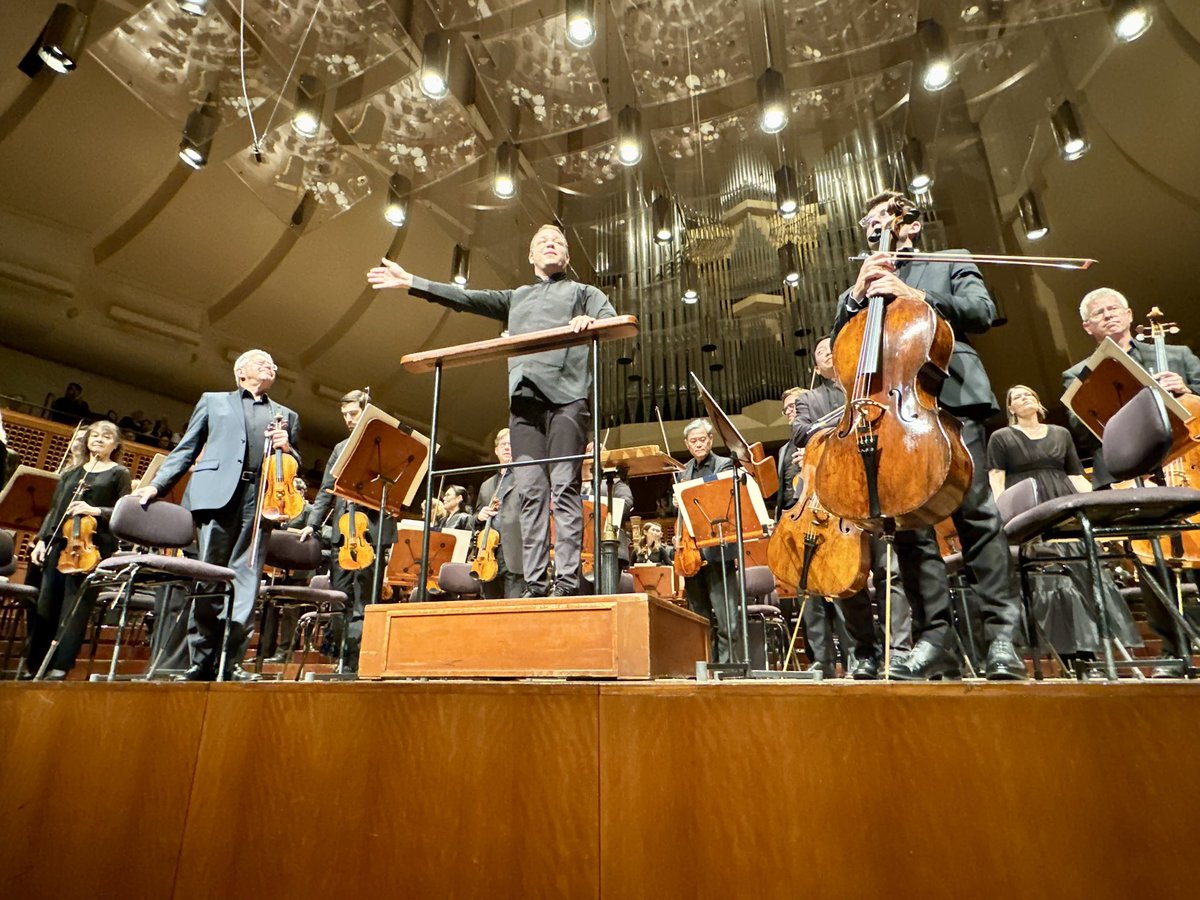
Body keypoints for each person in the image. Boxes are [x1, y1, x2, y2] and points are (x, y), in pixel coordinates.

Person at [833, 189, 1025, 680]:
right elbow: (842, 348)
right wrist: (857, 295)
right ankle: (934, 639)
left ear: (910, 224)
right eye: (868, 224)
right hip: (896, 417)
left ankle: (1001, 638)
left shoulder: (948, 261)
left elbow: (981, 312)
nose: (875, 229)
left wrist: (918, 295)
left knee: (977, 517)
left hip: (951, 400)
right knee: (911, 530)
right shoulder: (862, 288)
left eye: (883, 219)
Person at [368, 224, 617, 597]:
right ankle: (535, 584)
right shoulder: (516, 297)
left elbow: (614, 322)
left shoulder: (583, 292)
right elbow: (464, 298)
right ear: (531, 257)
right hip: (525, 404)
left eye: (558, 243)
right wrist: (412, 282)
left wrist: (590, 322)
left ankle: (566, 583)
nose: (551, 245)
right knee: (531, 493)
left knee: (564, 488)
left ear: (566, 256)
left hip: (568, 400)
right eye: (542, 243)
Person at [131, 349, 300, 682]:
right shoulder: (213, 401)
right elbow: (186, 449)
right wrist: (157, 486)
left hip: (262, 501)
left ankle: (231, 662)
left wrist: (287, 447)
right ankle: (202, 660)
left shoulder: (286, 415)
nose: (270, 365)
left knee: (246, 581)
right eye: (261, 361)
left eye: (273, 363)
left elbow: (293, 463)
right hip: (216, 496)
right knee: (208, 573)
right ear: (240, 373)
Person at [987, 385, 1140, 670]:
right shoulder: (1001, 437)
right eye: (1017, 397)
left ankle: (1091, 650)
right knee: (1050, 575)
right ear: (1010, 409)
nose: (1025, 397)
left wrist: (1093, 506)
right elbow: (997, 478)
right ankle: (1067, 654)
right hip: (1029, 505)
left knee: (1082, 570)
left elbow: (1076, 476)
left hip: (1063, 499)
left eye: (1029, 394)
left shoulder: (1060, 434)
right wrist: (1003, 514)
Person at [789, 336, 901, 679]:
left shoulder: (870, 383)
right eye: (821, 351)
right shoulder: (810, 399)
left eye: (832, 347)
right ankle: (864, 652)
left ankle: (899, 651)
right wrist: (844, 422)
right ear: (816, 366)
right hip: (838, 492)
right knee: (848, 578)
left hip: (877, 484)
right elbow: (801, 432)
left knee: (889, 572)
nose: (828, 353)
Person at [1062, 288, 1200, 487]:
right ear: (1087, 327)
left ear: (1129, 315)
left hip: (1189, 455)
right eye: (1098, 313)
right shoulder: (1079, 374)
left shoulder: (1179, 355)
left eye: (1113, 308)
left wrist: (1187, 390)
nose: (1108, 315)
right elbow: (1084, 432)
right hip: (1123, 473)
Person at [298, 390, 395, 671]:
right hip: (344, 532)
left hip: (372, 532)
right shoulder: (340, 448)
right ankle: (341, 657)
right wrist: (312, 524)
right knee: (340, 597)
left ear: (366, 411)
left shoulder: (383, 444)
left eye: (353, 414)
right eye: (345, 416)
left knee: (365, 600)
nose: (349, 420)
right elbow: (327, 490)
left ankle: (359, 661)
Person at [26, 421, 131, 678]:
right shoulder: (72, 473)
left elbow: (124, 512)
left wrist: (95, 510)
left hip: (91, 547)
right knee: (46, 605)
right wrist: (41, 540)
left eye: (106, 437)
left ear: (115, 445)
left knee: (74, 609)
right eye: (94, 435)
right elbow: (55, 510)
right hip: (59, 545)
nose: (98, 439)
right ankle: (34, 665)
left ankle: (60, 666)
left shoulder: (119, 473)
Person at [673, 418, 741, 663]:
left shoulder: (724, 466)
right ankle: (705, 666)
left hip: (718, 551)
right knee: (699, 619)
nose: (698, 444)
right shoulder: (683, 472)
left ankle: (727, 667)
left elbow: (718, 497)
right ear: (687, 445)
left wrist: (687, 494)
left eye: (702, 439)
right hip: (692, 554)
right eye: (693, 441)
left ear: (710, 440)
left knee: (727, 620)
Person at [473, 429, 525, 599]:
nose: (507, 448)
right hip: (489, 554)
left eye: (512, 445)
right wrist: (479, 516)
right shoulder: (486, 485)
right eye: (503, 444)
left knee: (514, 607)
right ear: (496, 450)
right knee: (490, 607)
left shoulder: (525, 478)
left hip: (516, 551)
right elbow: (476, 517)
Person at [774, 387, 805, 517]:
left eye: (792, 406)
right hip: (789, 513)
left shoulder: (819, 437)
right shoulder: (784, 449)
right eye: (785, 409)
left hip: (810, 507)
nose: (788, 411)